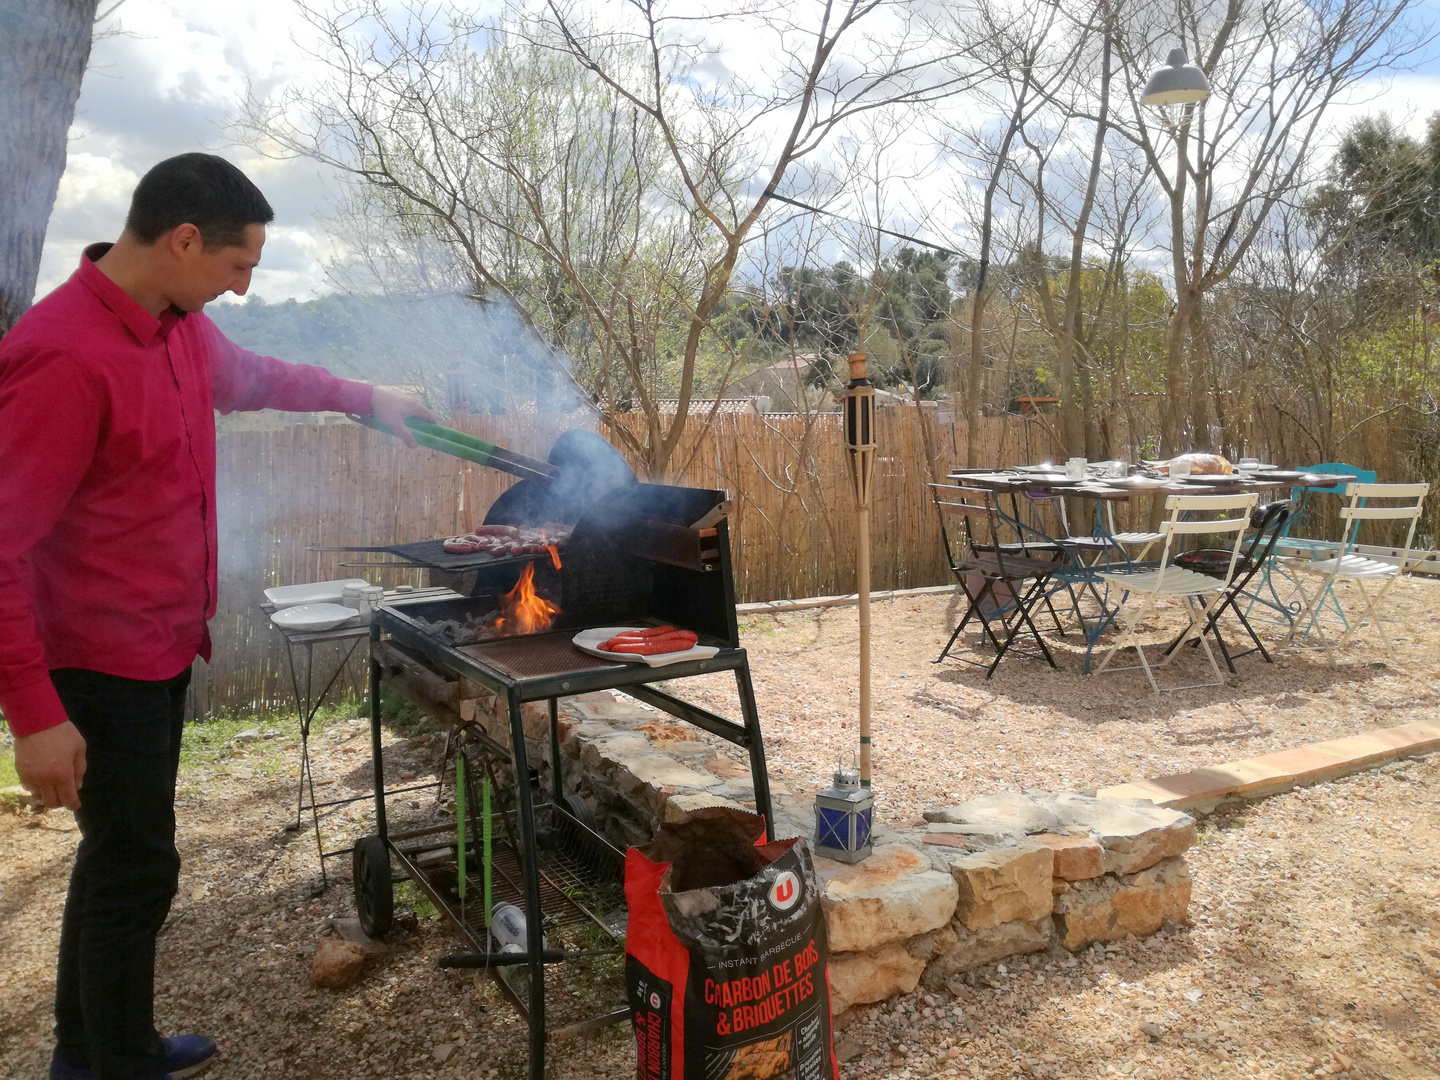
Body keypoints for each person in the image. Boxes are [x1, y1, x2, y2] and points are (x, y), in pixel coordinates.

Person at [0, 153, 433, 1080]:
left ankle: (91, 1053)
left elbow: (263, 377)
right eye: (239, 267)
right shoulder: (65, 355)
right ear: (185, 239)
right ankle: (112, 1062)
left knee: (120, 859)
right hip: (96, 661)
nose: (241, 288)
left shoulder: (178, 329)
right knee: (137, 867)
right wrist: (35, 714)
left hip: (158, 648)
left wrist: (367, 402)